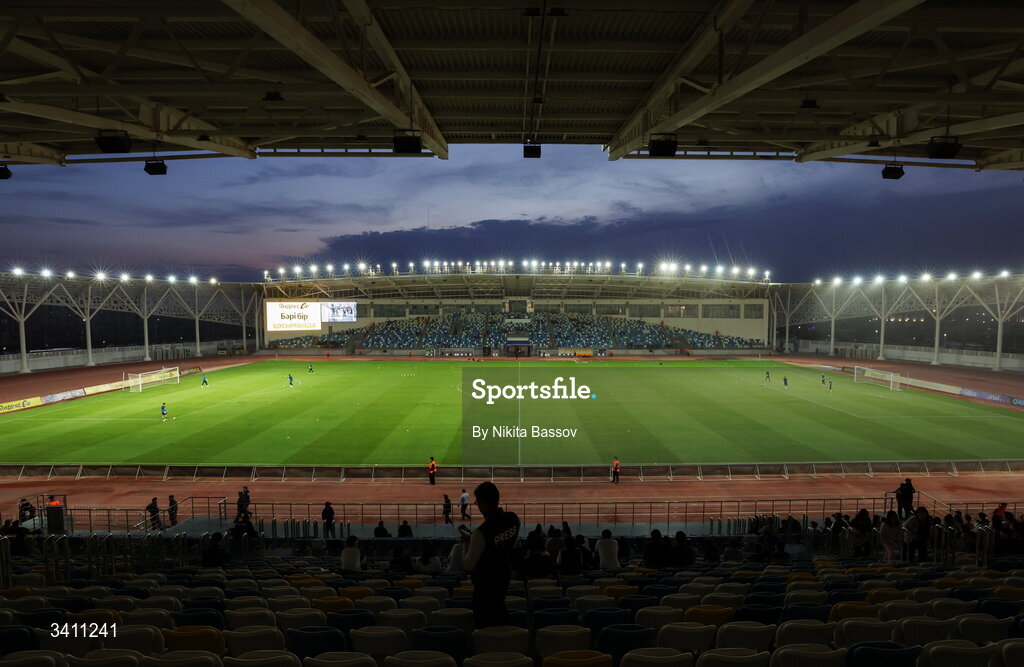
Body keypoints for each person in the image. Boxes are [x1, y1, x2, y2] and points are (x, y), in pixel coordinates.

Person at [463, 481, 521, 628]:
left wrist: (466, 543)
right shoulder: (513, 519)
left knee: (485, 623)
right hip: (503, 579)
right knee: (499, 611)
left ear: (482, 504)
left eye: (477, 503)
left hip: (484, 588)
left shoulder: (480, 532)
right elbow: (512, 545)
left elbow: (468, 565)